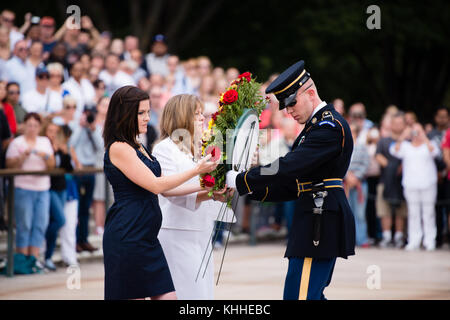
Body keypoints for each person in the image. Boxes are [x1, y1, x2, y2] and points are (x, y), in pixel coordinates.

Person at [226, 60, 355, 300]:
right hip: (313, 215)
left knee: (300, 296)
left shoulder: (329, 127)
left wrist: (243, 179)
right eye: (285, 106)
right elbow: (294, 185)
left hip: (319, 219)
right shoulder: (313, 128)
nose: (289, 111)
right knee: (310, 295)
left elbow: (289, 166)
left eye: (292, 102)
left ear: (311, 93)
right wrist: (247, 189)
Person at [102, 85, 218, 300]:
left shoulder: (138, 145)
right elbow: (156, 185)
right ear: (125, 114)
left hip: (147, 235)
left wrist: (207, 186)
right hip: (128, 233)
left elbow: (166, 186)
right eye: (141, 113)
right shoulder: (119, 147)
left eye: (148, 112)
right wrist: (197, 171)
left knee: (169, 297)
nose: (148, 117)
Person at [152, 94, 233, 299]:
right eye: (195, 114)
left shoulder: (199, 149)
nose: (202, 118)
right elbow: (169, 190)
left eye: (201, 113)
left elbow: (203, 191)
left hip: (201, 229)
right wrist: (208, 190)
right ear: (181, 117)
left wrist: (219, 192)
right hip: (176, 231)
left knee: (204, 294)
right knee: (189, 293)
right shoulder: (164, 149)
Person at [5, 112, 55, 272]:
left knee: (40, 223)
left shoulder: (44, 141)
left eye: (35, 125)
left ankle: (33, 260)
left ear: (39, 127)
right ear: (24, 126)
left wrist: (44, 157)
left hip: (42, 188)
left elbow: (52, 164)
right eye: (29, 125)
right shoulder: (17, 143)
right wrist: (23, 157)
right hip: (23, 187)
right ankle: (21, 260)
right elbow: (9, 165)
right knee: (24, 224)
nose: (32, 128)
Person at [390, 123, 439, 251]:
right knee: (413, 213)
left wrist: (424, 138)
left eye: (418, 131)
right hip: (411, 184)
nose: (416, 134)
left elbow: (435, 152)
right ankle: (414, 240)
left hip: (428, 183)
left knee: (428, 213)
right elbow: (394, 151)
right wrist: (403, 136)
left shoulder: (430, 144)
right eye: (414, 132)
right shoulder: (406, 146)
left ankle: (429, 240)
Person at [69, 106, 103, 253]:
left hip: (91, 169)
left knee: (85, 208)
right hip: (78, 170)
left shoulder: (96, 128)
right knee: (76, 208)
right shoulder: (74, 126)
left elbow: (100, 146)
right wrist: (80, 126)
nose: (89, 117)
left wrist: (93, 128)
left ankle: (84, 239)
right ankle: (75, 240)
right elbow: (70, 144)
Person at [42, 121, 74, 270]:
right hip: (49, 188)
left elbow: (68, 168)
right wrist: (53, 151)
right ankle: (44, 251)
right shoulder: (43, 146)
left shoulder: (61, 147)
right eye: (50, 131)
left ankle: (47, 257)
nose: (53, 134)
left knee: (55, 220)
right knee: (60, 220)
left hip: (61, 188)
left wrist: (63, 151)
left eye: (56, 131)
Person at [375, 112, 408, 248]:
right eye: (395, 123)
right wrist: (390, 166)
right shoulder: (384, 140)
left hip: (403, 180)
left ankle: (399, 236)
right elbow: (378, 156)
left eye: (400, 123)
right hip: (385, 180)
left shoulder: (408, 141)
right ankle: (387, 236)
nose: (397, 126)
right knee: (384, 210)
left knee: (401, 210)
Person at [345, 123, 370, 247]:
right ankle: (348, 240)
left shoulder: (362, 147)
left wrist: (355, 177)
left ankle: (361, 239)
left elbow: (366, 164)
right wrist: (347, 176)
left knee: (360, 213)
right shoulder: (341, 146)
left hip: (360, 183)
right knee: (346, 212)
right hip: (345, 184)